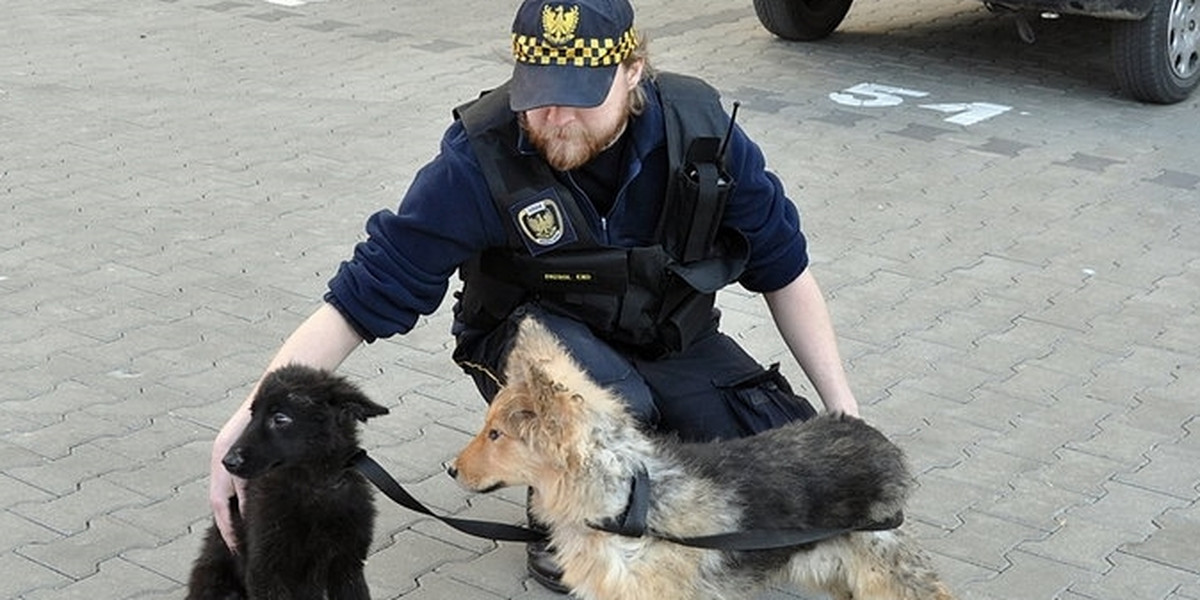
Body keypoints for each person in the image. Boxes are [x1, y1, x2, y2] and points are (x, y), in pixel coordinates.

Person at [207, 0, 860, 593]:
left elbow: (785, 271)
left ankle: (634, 467)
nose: (555, 118)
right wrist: (248, 422)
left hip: (665, 334)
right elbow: (362, 297)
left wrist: (844, 415)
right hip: (531, 341)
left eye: (579, 95)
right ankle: (558, 511)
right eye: (540, 94)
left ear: (633, 72)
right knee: (602, 414)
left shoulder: (702, 136)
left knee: (790, 484)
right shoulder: (480, 157)